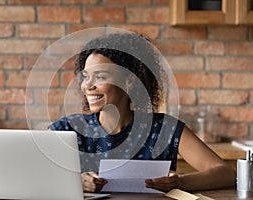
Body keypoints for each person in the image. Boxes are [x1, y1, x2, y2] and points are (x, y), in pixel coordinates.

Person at [48, 31, 236, 193]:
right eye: (86, 77)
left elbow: (225, 173)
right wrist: (74, 182)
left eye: (100, 76)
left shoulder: (164, 129)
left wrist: (179, 182)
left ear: (129, 81)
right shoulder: (65, 129)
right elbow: (31, 176)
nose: (87, 86)